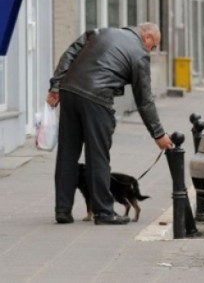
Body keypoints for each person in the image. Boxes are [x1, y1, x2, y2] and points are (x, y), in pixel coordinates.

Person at [47, 23, 173, 226]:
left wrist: (56, 85)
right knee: (97, 155)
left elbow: (69, 53)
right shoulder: (139, 53)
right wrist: (158, 134)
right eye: (154, 45)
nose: (152, 50)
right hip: (97, 98)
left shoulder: (100, 32)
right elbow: (145, 99)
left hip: (69, 91)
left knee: (67, 153)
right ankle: (104, 212)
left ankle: (62, 210)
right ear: (147, 37)